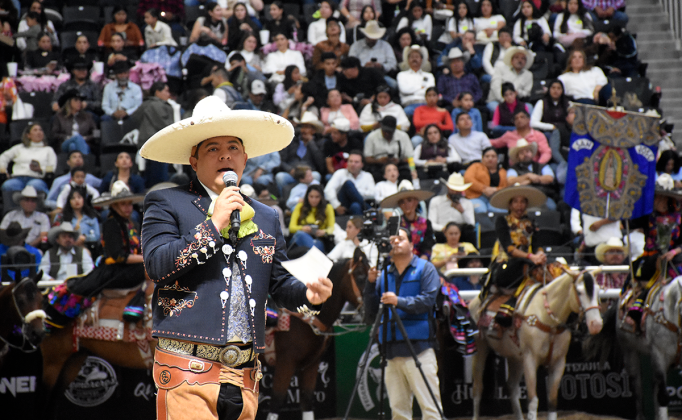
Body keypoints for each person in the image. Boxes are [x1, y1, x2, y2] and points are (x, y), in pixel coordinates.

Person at [139, 95, 333, 419]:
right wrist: (213, 225)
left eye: (233, 147)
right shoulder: (166, 201)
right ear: (194, 160)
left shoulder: (267, 215)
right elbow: (157, 266)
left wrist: (310, 296)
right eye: (213, 148)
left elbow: (281, 284)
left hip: (245, 378)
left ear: (245, 158)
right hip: (187, 370)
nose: (225, 154)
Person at [363, 227, 443, 420]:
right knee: (398, 411)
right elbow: (372, 311)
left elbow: (428, 301)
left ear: (412, 245)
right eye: (392, 240)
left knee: (431, 409)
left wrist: (399, 301)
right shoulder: (383, 275)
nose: (396, 242)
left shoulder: (425, 268)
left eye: (400, 239)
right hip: (390, 351)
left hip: (420, 349)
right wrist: (370, 285)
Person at [489, 184, 548, 265]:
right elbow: (508, 248)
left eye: (522, 202)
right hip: (505, 262)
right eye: (515, 202)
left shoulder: (532, 222)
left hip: (525, 262)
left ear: (526, 204)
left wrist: (540, 255)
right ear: (510, 205)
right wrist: (530, 256)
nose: (519, 205)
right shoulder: (502, 220)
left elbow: (537, 244)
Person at [133, 82, 175, 188]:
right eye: (166, 90)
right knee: (160, 175)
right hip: (158, 143)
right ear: (157, 92)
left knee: (149, 173)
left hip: (145, 142)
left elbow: (134, 119)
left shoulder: (144, 104)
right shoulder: (158, 105)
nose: (168, 94)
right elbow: (166, 125)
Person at [380, 182, 435, 259]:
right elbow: (390, 247)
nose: (406, 204)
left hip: (421, 263)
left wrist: (420, 264)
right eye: (402, 202)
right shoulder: (394, 224)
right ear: (399, 205)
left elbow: (428, 247)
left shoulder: (426, 223)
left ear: (416, 202)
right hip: (399, 262)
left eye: (409, 200)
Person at [0, 123, 56, 194]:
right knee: (7, 185)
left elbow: (52, 167)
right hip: (18, 178)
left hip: (36, 178)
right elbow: (3, 157)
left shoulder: (48, 150)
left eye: (40, 130)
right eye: (35, 130)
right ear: (28, 135)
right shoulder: (19, 148)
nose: (39, 132)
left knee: (33, 185)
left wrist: (40, 169)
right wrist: (3, 171)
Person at [276, 112, 325, 191]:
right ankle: (284, 201)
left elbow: (321, 164)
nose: (303, 130)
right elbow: (281, 160)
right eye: (303, 127)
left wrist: (311, 143)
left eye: (307, 127)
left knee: (316, 176)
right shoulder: (291, 140)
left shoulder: (319, 143)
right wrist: (290, 170)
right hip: (292, 172)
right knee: (280, 177)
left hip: (309, 173)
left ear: (313, 130)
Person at [505, 139, 557, 210]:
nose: (525, 154)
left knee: (552, 207)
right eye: (521, 153)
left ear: (532, 153)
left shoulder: (543, 166)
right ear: (517, 157)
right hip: (522, 198)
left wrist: (531, 180)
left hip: (542, 195)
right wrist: (527, 175)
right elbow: (510, 181)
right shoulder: (513, 169)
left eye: (527, 151)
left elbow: (549, 178)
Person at [363, 115, 415, 182]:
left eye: (390, 132)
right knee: (375, 175)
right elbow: (367, 158)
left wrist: (400, 161)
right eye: (385, 131)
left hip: (398, 165)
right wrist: (378, 161)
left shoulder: (403, 136)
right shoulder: (372, 137)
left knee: (406, 175)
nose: (387, 134)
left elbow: (410, 157)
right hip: (378, 166)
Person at [324, 150, 375, 215]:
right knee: (348, 184)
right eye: (350, 161)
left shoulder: (367, 176)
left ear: (362, 164)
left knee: (355, 205)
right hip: (343, 204)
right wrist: (336, 206)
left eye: (356, 162)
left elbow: (372, 194)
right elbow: (328, 190)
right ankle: (370, 211)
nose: (352, 164)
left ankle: (360, 223)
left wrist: (353, 191)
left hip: (359, 207)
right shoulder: (340, 173)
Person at [487, 46, 534, 113]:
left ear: (525, 62)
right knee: (499, 110)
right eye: (517, 57)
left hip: (516, 102)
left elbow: (527, 92)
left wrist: (519, 93)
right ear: (511, 60)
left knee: (529, 107)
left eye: (523, 58)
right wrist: (505, 101)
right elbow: (495, 87)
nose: (520, 60)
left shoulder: (528, 75)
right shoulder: (500, 69)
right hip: (497, 101)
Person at [289, 184, 335, 252]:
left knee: (312, 246)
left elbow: (332, 228)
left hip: (318, 239)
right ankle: (316, 256)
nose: (314, 200)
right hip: (299, 239)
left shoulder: (328, 207)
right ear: (307, 197)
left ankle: (313, 254)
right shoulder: (300, 206)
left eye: (317, 197)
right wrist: (303, 228)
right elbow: (291, 227)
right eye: (311, 197)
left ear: (321, 197)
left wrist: (324, 232)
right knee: (301, 234)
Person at [54, 187, 101, 252]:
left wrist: (85, 238)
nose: (76, 200)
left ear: (83, 200)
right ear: (69, 201)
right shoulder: (62, 217)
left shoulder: (92, 217)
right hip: (66, 247)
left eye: (79, 197)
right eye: (73, 198)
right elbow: (56, 234)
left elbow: (97, 236)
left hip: (88, 247)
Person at [51, 89, 97, 155]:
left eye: (80, 100)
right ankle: (84, 160)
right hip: (65, 143)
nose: (79, 102)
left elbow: (97, 133)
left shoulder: (88, 116)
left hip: (85, 143)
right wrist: (67, 137)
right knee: (75, 140)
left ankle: (75, 163)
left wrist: (85, 138)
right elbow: (54, 134)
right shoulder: (59, 117)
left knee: (72, 146)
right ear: (69, 102)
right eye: (76, 100)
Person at [464, 147, 508, 213]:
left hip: (495, 198)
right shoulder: (475, 166)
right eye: (487, 156)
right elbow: (468, 179)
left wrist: (495, 190)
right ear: (482, 158)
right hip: (476, 197)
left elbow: (506, 187)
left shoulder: (503, 172)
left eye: (493, 156)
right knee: (481, 210)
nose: (490, 158)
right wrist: (484, 189)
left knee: (501, 211)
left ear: (497, 158)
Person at [396, 45, 435, 117]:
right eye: (412, 57)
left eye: (417, 57)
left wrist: (413, 91)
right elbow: (404, 90)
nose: (414, 59)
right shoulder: (401, 75)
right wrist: (422, 87)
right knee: (406, 112)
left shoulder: (429, 76)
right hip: (410, 105)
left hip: (426, 105)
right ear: (408, 60)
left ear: (421, 59)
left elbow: (430, 92)